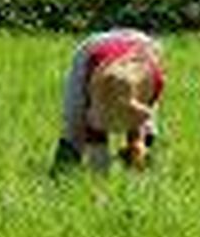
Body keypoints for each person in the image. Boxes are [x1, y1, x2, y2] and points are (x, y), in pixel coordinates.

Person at [52, 28, 165, 173]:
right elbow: (94, 119)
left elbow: (140, 117)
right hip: (95, 50)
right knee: (74, 118)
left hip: (143, 47)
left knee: (146, 131)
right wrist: (99, 164)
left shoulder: (155, 79)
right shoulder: (93, 71)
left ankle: (139, 171)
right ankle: (63, 172)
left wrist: (137, 142)